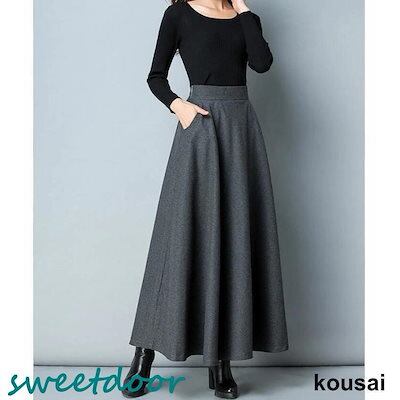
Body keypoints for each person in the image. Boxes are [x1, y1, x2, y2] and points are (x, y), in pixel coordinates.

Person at [123, 1, 288, 398]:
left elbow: (262, 64)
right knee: (176, 239)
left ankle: (221, 363)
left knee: (233, 239)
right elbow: (156, 76)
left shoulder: (246, 18)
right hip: (200, 128)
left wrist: (243, 10)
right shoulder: (178, 14)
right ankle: (143, 356)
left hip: (241, 131)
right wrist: (179, 107)